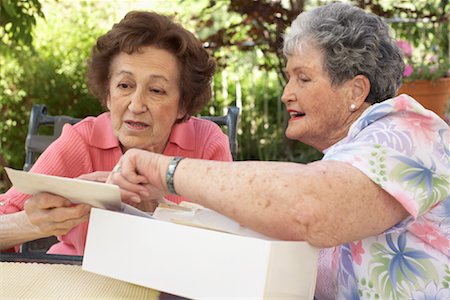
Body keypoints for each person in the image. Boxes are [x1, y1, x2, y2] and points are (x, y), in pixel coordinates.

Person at [110, 3, 449, 299]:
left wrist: (165, 171)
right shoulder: (345, 159)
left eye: (302, 78)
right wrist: (147, 203)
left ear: (356, 91)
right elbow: (260, 222)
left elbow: (308, 207)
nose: (286, 93)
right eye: (289, 78)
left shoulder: (410, 133)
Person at [0, 11, 232, 255]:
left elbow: (232, 241)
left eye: (156, 90)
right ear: (108, 94)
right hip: (82, 279)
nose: (136, 105)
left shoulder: (206, 143)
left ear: (183, 105)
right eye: (124, 86)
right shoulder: (81, 141)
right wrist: (33, 223)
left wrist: (164, 204)